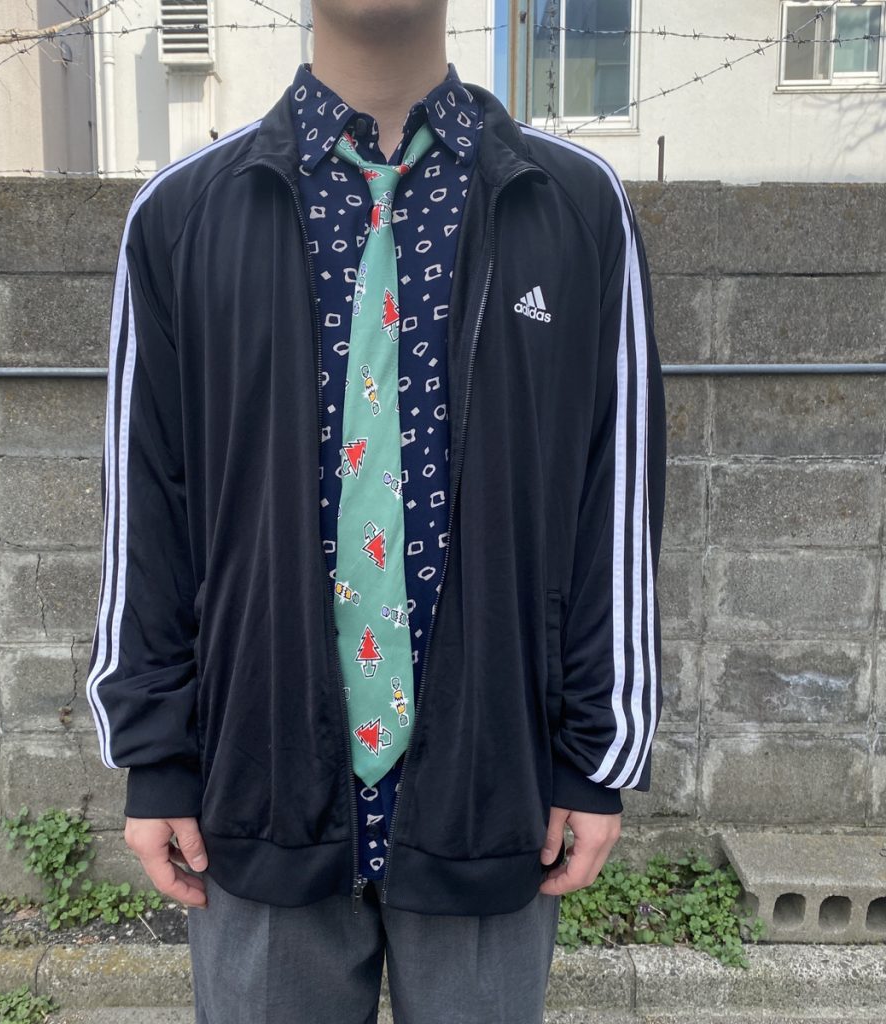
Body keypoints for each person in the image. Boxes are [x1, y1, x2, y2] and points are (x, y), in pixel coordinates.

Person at [85, 1, 666, 1020]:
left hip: (496, 785)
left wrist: (594, 755)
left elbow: (613, 491)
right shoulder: (184, 216)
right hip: (256, 785)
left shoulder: (572, 204)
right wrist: (156, 757)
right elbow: (147, 508)